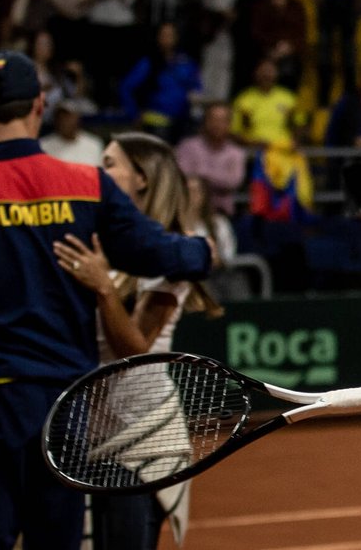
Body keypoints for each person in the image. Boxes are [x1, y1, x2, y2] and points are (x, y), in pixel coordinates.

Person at [0, 50, 211, 550]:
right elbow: (154, 250)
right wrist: (200, 253)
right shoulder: (86, 184)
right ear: (39, 105)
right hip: (65, 406)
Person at [52, 131, 222, 550]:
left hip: (143, 435)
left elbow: (134, 350)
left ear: (142, 178)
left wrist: (103, 287)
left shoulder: (170, 252)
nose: (100, 173)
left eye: (110, 165)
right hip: (87, 432)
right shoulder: (99, 240)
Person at [176, 101, 247, 217]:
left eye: (222, 120)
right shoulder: (187, 146)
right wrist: (218, 180)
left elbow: (233, 182)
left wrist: (199, 175)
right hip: (188, 211)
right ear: (204, 121)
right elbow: (182, 176)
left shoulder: (236, 153)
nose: (217, 124)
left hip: (221, 213)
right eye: (213, 119)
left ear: (229, 124)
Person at [39, 99, 103, 166]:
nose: (64, 121)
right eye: (60, 117)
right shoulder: (43, 146)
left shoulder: (94, 144)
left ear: (77, 118)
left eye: (68, 117)